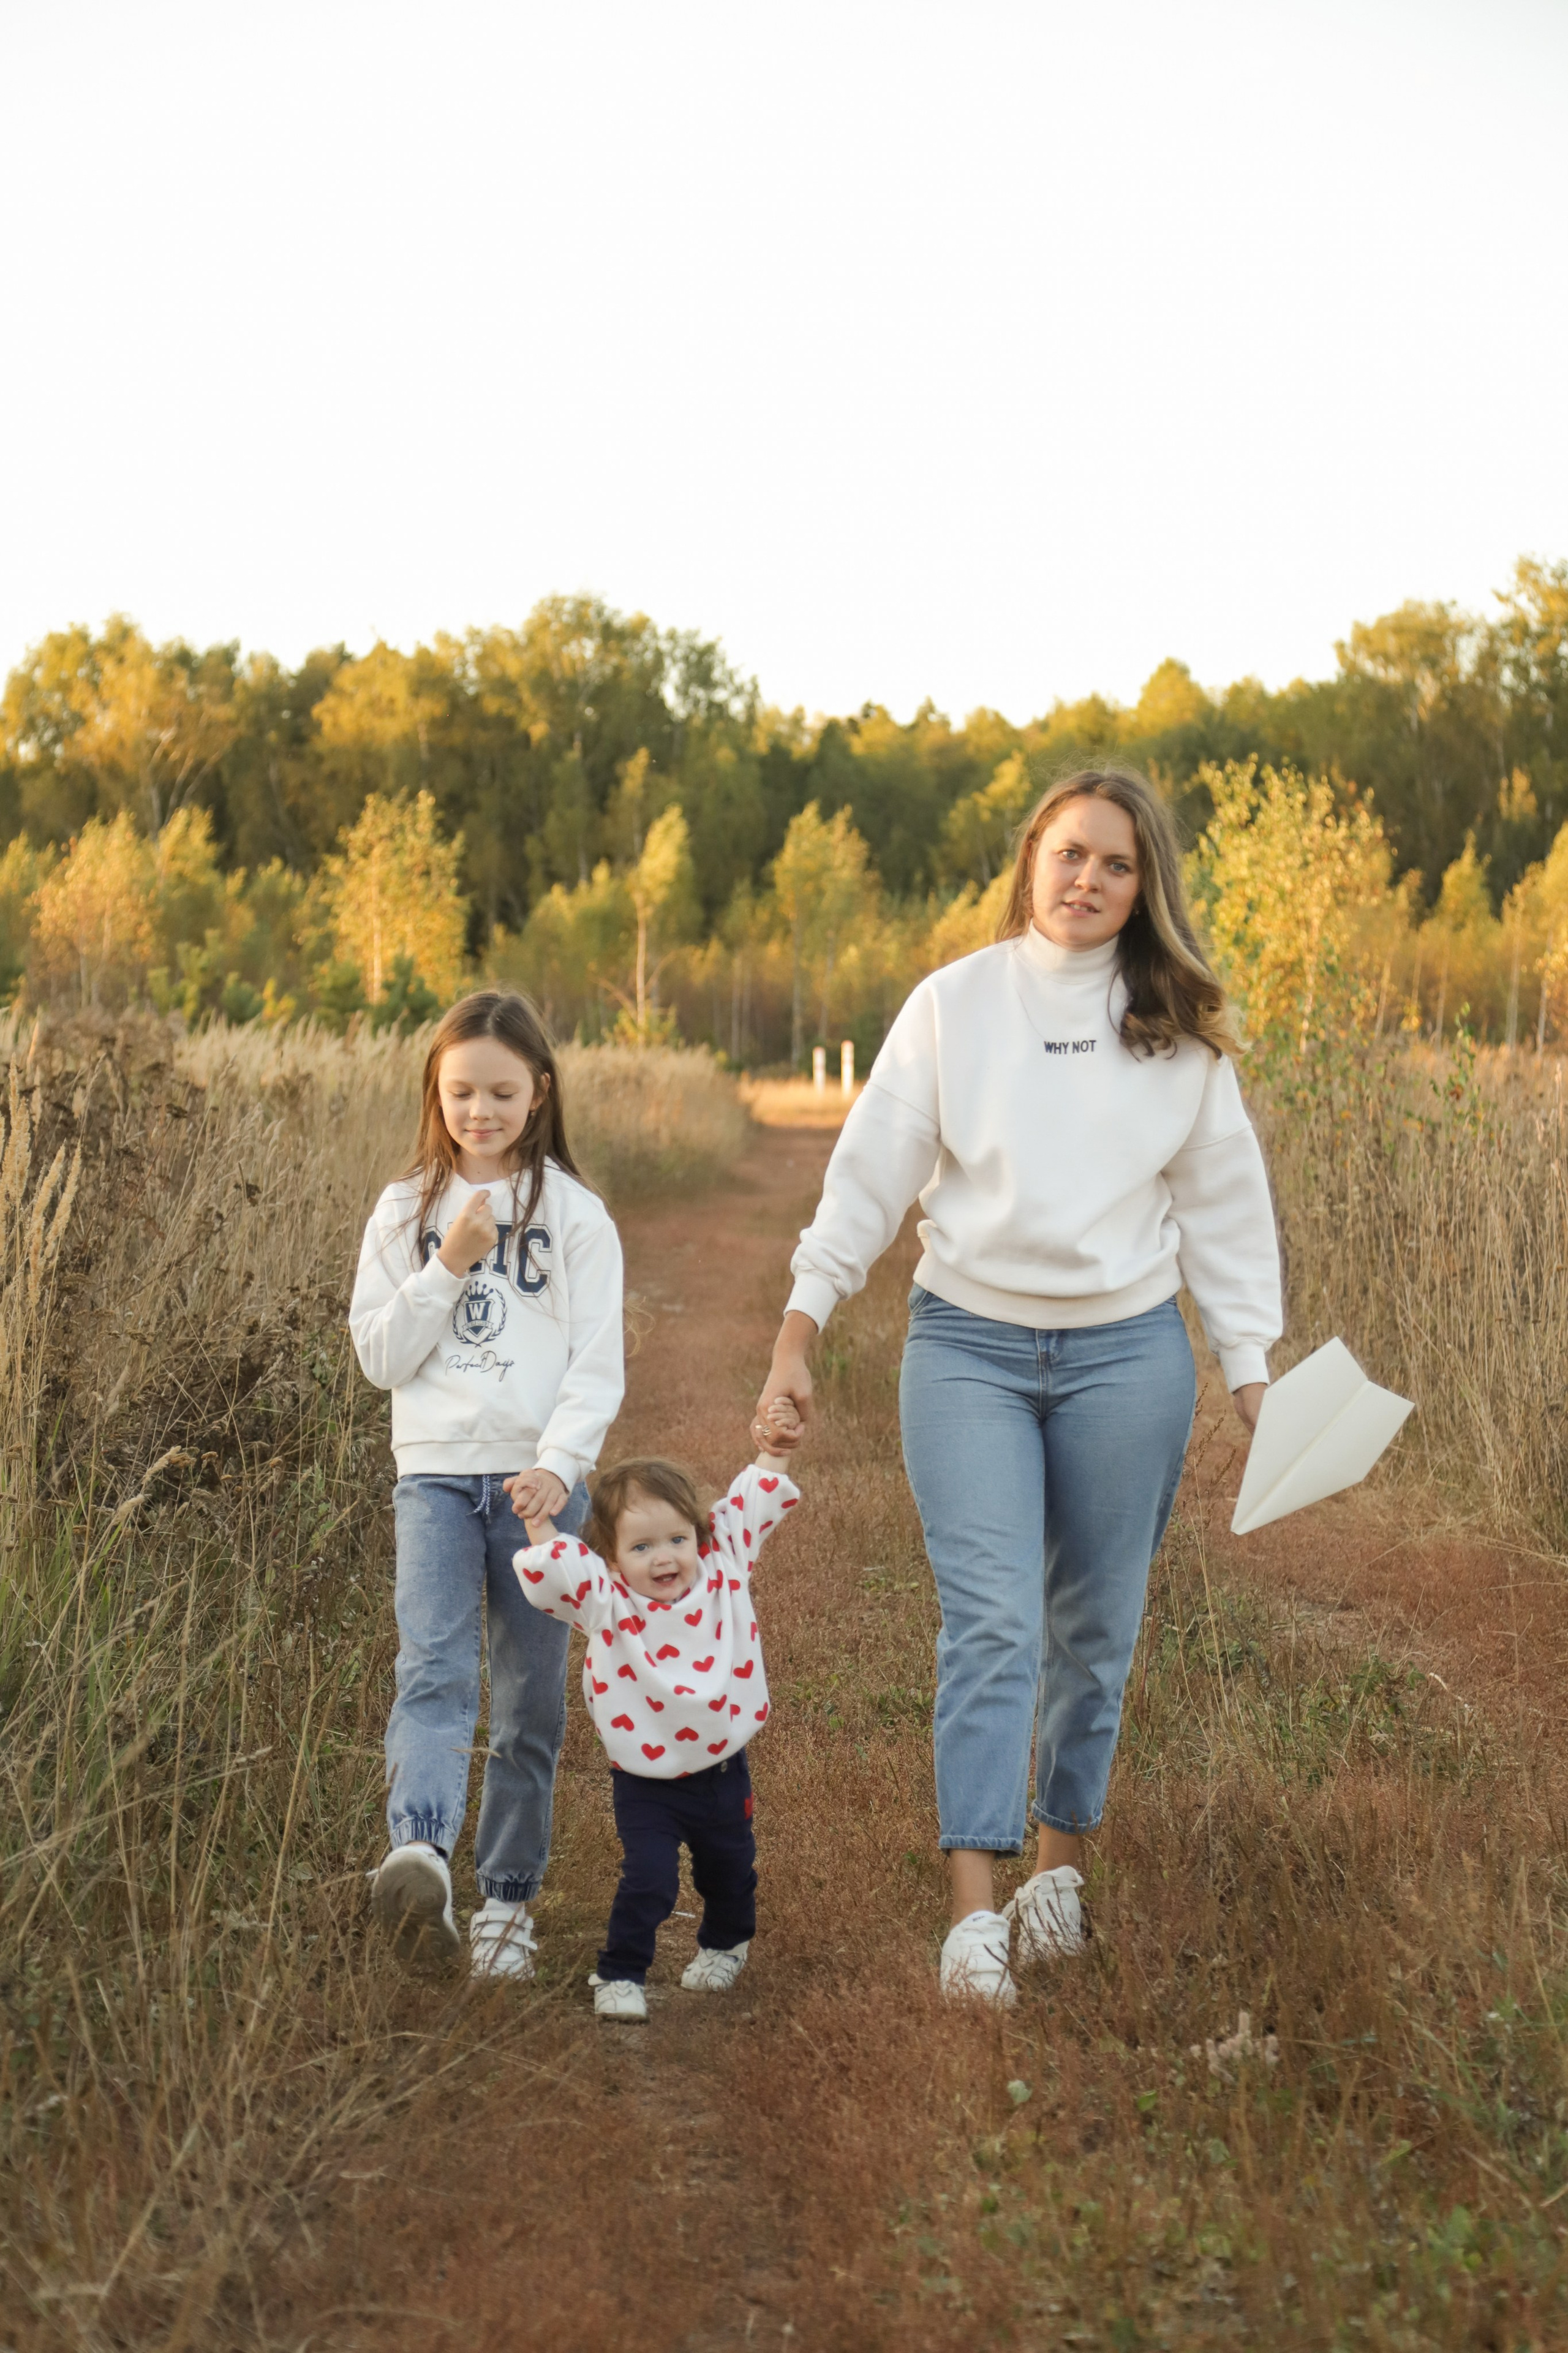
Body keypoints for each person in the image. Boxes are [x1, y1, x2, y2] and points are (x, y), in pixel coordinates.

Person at [755, 768, 1282, 2006]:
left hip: (1125, 1356)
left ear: (1143, 887)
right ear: (1029, 859)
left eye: (1115, 864)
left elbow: (1223, 1213)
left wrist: (1251, 1376)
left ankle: (1055, 1877)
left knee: (1093, 1634)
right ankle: (971, 1918)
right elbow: (870, 1174)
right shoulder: (954, 1005)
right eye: (1069, 854)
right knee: (990, 1623)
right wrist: (798, 1328)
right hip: (968, 1350)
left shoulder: (1175, 1031)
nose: (1087, 879)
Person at [350, 991, 624, 1979]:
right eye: (461, 1090)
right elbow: (380, 1354)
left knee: (528, 1700)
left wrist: (558, 1466)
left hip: (538, 1487)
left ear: (538, 1093)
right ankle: (420, 1857)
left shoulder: (577, 1218)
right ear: (437, 1088)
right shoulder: (405, 1209)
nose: (480, 1110)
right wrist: (447, 1266)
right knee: (431, 1671)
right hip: (431, 1479)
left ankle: (509, 1899)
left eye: (502, 1092)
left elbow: (598, 1363)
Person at [513, 1400, 802, 2022]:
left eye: (677, 1538)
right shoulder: (608, 1601)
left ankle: (726, 1942)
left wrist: (775, 1444)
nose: (665, 1557)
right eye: (642, 1546)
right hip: (644, 1781)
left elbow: (752, 1500)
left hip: (723, 1768)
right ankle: (619, 1973)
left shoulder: (722, 1566)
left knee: (729, 1869)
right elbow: (561, 1566)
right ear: (614, 1560)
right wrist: (539, 1519)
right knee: (648, 1879)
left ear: (700, 1536)